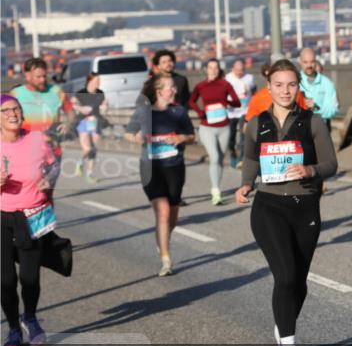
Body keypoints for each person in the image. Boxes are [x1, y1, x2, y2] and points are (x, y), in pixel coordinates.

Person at [236, 60, 338, 346]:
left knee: (299, 282)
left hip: (305, 207)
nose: (285, 90)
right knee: (285, 276)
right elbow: (251, 158)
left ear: (299, 87)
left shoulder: (314, 122)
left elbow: (331, 163)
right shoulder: (257, 123)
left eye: (291, 84)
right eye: (278, 85)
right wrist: (245, 183)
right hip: (269, 207)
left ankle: (283, 327)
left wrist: (310, 170)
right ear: (269, 88)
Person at [1, 94, 58, 346]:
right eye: (6, 110)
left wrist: (49, 182)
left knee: (30, 277)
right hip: (1, 217)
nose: (13, 113)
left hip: (32, 215)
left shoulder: (36, 139)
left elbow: (54, 166)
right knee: (5, 280)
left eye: (16, 108)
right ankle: (13, 328)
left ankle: (31, 318)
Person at [125, 73, 196, 277]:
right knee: (163, 211)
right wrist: (136, 137)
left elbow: (191, 136)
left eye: (174, 87)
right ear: (158, 91)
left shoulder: (179, 112)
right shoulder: (143, 112)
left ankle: (163, 237)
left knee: (172, 214)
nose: (174, 90)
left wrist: (181, 137)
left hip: (174, 167)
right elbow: (128, 133)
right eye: (170, 87)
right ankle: (166, 260)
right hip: (150, 168)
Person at [189, 59, 241, 205]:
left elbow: (237, 102)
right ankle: (216, 192)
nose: (213, 70)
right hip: (207, 127)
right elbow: (191, 101)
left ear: (219, 70)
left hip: (224, 127)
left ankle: (216, 187)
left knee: (219, 160)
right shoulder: (201, 86)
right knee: (214, 157)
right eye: (210, 68)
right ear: (206, 69)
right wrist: (200, 112)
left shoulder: (225, 84)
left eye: (215, 68)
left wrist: (226, 102)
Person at [12, 58, 70, 188]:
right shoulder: (16, 94)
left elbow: (71, 112)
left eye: (44, 76)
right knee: (31, 191)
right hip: (26, 150)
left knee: (47, 192)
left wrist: (67, 123)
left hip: (53, 150)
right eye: (38, 77)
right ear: (27, 75)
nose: (43, 80)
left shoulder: (56, 91)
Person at [71, 73, 108, 184]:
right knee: (87, 149)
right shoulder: (81, 93)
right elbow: (72, 104)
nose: (99, 82)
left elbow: (103, 106)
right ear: (90, 81)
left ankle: (90, 174)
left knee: (94, 149)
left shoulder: (100, 93)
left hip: (96, 122)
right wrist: (81, 108)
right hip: (83, 122)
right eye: (97, 80)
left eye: (99, 80)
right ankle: (79, 163)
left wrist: (105, 106)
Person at [244, 63, 310, 123]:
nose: (285, 91)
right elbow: (248, 124)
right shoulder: (257, 98)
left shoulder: (297, 94)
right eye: (278, 84)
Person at [225, 57, 257, 169]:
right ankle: (233, 153)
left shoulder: (250, 78)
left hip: (245, 111)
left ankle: (241, 159)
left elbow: (254, 93)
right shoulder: (227, 78)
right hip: (231, 112)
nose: (239, 72)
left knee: (244, 136)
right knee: (230, 137)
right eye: (237, 70)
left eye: (242, 69)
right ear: (232, 69)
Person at [298, 48, 339, 131]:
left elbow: (333, 109)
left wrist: (316, 108)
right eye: (305, 62)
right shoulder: (294, 82)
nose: (309, 65)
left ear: (316, 62)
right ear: (300, 62)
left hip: (321, 127)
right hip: (300, 128)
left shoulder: (327, 83)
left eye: (312, 62)